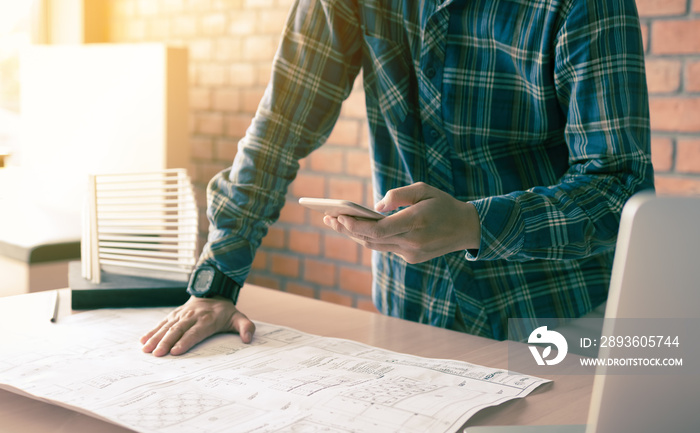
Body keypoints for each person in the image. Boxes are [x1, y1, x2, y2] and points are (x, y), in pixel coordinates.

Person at [141, 0, 654, 357]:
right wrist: (217, 282)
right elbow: (277, 133)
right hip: (411, 313)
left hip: (555, 315)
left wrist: (475, 224)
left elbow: (619, 184)